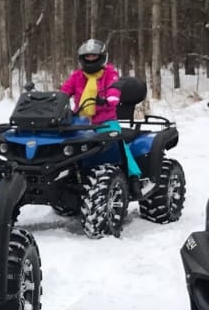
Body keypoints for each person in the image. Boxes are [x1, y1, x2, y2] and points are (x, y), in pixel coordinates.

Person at [59, 38, 151, 195]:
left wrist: (108, 99)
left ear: (101, 57)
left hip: (105, 121)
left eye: (94, 56)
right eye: (87, 56)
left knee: (119, 143)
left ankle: (134, 177)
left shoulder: (110, 73)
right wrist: (55, 101)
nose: (90, 59)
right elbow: (63, 92)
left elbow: (114, 90)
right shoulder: (76, 76)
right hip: (80, 121)